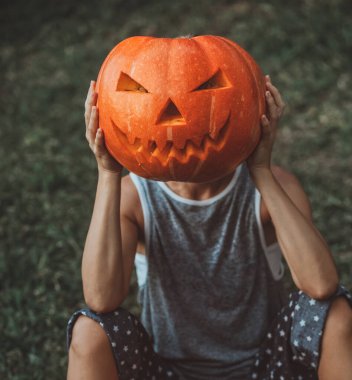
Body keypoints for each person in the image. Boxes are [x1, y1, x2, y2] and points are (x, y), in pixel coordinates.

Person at [66, 76, 352, 380]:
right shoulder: (134, 199)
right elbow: (100, 298)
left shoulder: (272, 189)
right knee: (89, 331)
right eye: (142, 92)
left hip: (266, 367)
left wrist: (261, 171)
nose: (176, 116)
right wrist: (108, 173)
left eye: (208, 88)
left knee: (334, 313)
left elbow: (321, 285)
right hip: (169, 372)